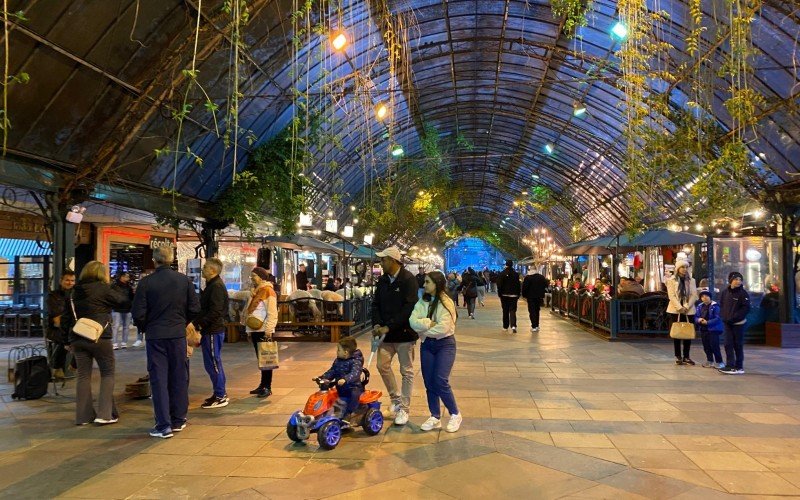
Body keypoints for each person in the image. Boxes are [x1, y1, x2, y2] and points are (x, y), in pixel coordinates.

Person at [132, 246, 201, 439]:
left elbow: (138, 313)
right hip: (177, 334)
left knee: (159, 379)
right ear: (171, 260)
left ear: (155, 260)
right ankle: (178, 419)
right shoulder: (183, 281)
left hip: (156, 336)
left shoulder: (146, 283)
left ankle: (163, 424)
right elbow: (195, 308)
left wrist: (147, 326)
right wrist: (182, 322)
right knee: (179, 376)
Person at [71, 261, 130, 426]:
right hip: (100, 337)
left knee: (83, 376)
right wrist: (115, 286)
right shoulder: (103, 289)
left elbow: (68, 315)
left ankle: (83, 417)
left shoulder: (75, 291)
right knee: (107, 373)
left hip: (78, 336)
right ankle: (105, 414)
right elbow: (123, 301)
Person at [409, 270, 461, 433]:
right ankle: (435, 416)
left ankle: (455, 413)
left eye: (427, 282)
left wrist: (422, 330)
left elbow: (443, 328)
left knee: (440, 380)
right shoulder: (422, 301)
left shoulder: (446, 302)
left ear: (437, 284)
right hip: (427, 345)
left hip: (445, 344)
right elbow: (412, 321)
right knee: (429, 382)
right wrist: (426, 323)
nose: (424, 285)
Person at [371, 246, 418, 426]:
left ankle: (404, 409)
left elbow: (409, 307)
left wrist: (388, 327)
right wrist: (377, 324)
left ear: (393, 260)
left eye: (383, 260)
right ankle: (396, 400)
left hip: (404, 334)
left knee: (406, 371)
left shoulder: (408, 280)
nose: (381, 263)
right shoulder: (382, 280)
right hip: (385, 335)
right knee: (382, 365)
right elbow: (375, 304)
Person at [189, 258, 230, 409]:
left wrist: (199, 324)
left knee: (213, 362)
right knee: (212, 363)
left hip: (213, 330)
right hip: (210, 330)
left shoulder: (216, 287)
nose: (203, 269)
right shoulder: (212, 285)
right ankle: (219, 393)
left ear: (213, 270)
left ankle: (220, 395)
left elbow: (215, 311)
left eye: (205, 267)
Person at [240, 267, 278, 397]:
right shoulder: (256, 291)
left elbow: (272, 313)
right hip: (255, 330)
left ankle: (267, 386)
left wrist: (268, 330)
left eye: (254, 276)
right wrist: (249, 330)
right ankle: (262, 384)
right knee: (261, 359)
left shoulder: (268, 291)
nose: (251, 278)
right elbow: (250, 311)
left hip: (263, 331)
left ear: (261, 277)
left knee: (266, 359)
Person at [317, 337, 363, 419]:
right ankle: (324, 412)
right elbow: (332, 371)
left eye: (338, 350)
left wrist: (345, 379)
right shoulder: (338, 361)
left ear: (345, 352)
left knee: (354, 395)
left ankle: (350, 413)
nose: (336, 352)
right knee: (329, 395)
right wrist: (323, 377)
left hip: (353, 387)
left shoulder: (356, 361)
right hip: (341, 387)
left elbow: (355, 373)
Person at [666, 259, 698, 365]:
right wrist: (679, 307)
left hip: (688, 310)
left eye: (686, 267)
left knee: (687, 332)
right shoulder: (671, 280)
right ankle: (678, 356)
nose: (684, 269)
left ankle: (687, 356)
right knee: (677, 333)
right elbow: (671, 295)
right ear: (678, 268)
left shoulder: (691, 280)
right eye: (682, 267)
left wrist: (687, 306)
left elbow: (694, 294)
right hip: (676, 310)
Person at [46, 271, 76, 381]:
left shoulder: (76, 295)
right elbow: (57, 320)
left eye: (72, 280)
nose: (70, 283)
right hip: (57, 330)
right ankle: (57, 368)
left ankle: (73, 365)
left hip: (72, 328)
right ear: (61, 281)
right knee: (65, 338)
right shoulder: (53, 296)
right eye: (67, 280)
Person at [718, 271, 751, 375]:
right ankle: (729, 365)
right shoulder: (725, 292)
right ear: (731, 281)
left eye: (740, 280)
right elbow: (722, 305)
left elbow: (745, 308)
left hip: (738, 324)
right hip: (727, 323)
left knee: (738, 345)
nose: (738, 281)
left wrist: (734, 318)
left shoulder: (743, 293)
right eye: (736, 279)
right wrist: (724, 317)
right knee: (728, 344)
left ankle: (739, 366)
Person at [695, 290, 724, 368]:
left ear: (710, 297)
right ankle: (710, 360)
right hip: (704, 329)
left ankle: (719, 362)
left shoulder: (715, 306)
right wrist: (699, 320)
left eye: (706, 296)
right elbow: (696, 316)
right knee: (706, 346)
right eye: (702, 296)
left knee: (715, 346)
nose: (705, 298)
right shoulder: (700, 306)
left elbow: (718, 318)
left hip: (713, 329)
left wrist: (707, 322)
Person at [111, 272, 135, 350]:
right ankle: (114, 343)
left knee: (126, 327)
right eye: (126, 277)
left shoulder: (129, 286)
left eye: (128, 277)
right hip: (116, 308)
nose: (128, 278)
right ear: (122, 277)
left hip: (128, 308)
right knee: (116, 326)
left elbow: (132, 297)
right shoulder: (114, 286)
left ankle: (124, 342)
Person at [496, 259, 521, 333]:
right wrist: (518, 294)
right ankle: (513, 325)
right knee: (513, 310)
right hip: (514, 295)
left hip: (504, 295)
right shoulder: (516, 274)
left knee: (505, 311)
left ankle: (505, 326)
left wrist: (499, 293)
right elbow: (518, 285)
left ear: (506, 265)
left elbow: (499, 285)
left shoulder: (502, 273)